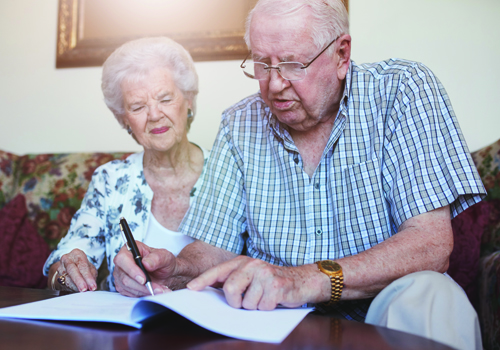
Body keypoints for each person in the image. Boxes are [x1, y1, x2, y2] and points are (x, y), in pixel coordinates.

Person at [113, 1, 485, 349]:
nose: (274, 84)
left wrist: (307, 279)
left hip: (382, 316)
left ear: (341, 54)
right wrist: (173, 269)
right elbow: (213, 248)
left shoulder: (402, 91)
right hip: (274, 324)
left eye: (292, 64)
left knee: (431, 293)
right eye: (262, 64)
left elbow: (431, 245)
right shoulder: (239, 123)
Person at [43, 36, 209, 293]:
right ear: (124, 120)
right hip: (131, 328)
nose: (154, 114)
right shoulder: (110, 180)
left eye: (165, 99)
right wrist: (67, 275)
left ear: (188, 101)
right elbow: (63, 264)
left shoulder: (228, 170)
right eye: (138, 106)